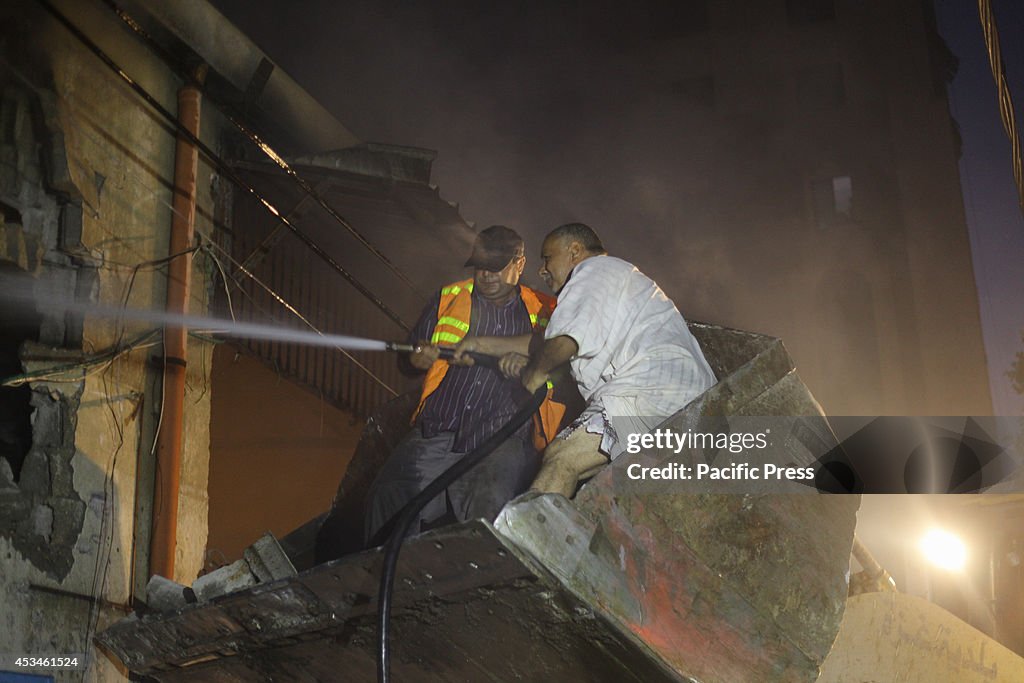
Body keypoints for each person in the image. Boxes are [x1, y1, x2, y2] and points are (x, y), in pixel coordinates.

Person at [363, 225, 562, 545]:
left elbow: (561, 363)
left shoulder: (544, 311)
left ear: (519, 264)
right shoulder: (448, 299)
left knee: (489, 506)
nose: (486, 275)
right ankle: (381, 577)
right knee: (387, 494)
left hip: (500, 435)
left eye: (496, 267)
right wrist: (416, 360)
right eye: (481, 266)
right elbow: (410, 356)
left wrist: (527, 366)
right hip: (441, 428)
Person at [505, 222, 716, 498]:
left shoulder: (593, 270)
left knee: (563, 458)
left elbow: (564, 341)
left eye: (547, 258)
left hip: (653, 392)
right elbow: (543, 343)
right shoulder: (620, 280)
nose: (542, 269)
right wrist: (475, 344)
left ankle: (523, 539)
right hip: (692, 406)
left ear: (575, 251)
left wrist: (534, 372)